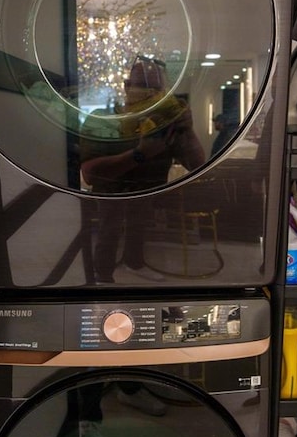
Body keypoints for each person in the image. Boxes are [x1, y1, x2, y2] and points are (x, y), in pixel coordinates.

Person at [80, 55, 205, 282]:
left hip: (148, 190)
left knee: (138, 228)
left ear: (164, 91)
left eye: (155, 88)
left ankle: (135, 263)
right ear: (127, 86)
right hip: (110, 192)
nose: (148, 92)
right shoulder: (104, 119)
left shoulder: (166, 124)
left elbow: (197, 165)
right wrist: (141, 153)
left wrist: (188, 130)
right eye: (141, 85)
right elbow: (89, 173)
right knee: (109, 230)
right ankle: (104, 274)